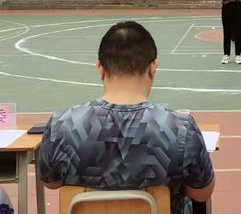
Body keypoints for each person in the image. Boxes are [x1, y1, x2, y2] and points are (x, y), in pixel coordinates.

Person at [38, 21, 215, 214]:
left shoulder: (63, 125)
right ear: (152, 68)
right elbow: (202, 192)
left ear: (100, 68)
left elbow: (51, 182)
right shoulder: (180, 128)